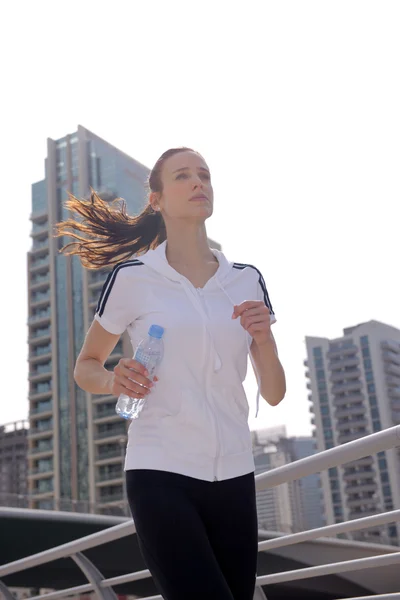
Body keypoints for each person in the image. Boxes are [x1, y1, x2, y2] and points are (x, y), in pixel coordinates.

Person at [58, 147, 286, 600]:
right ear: (157, 199)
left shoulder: (246, 279)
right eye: (183, 176)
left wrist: (264, 339)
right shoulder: (134, 277)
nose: (199, 182)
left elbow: (275, 394)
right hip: (160, 469)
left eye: (204, 174)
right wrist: (113, 378)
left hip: (235, 474)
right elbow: (86, 367)